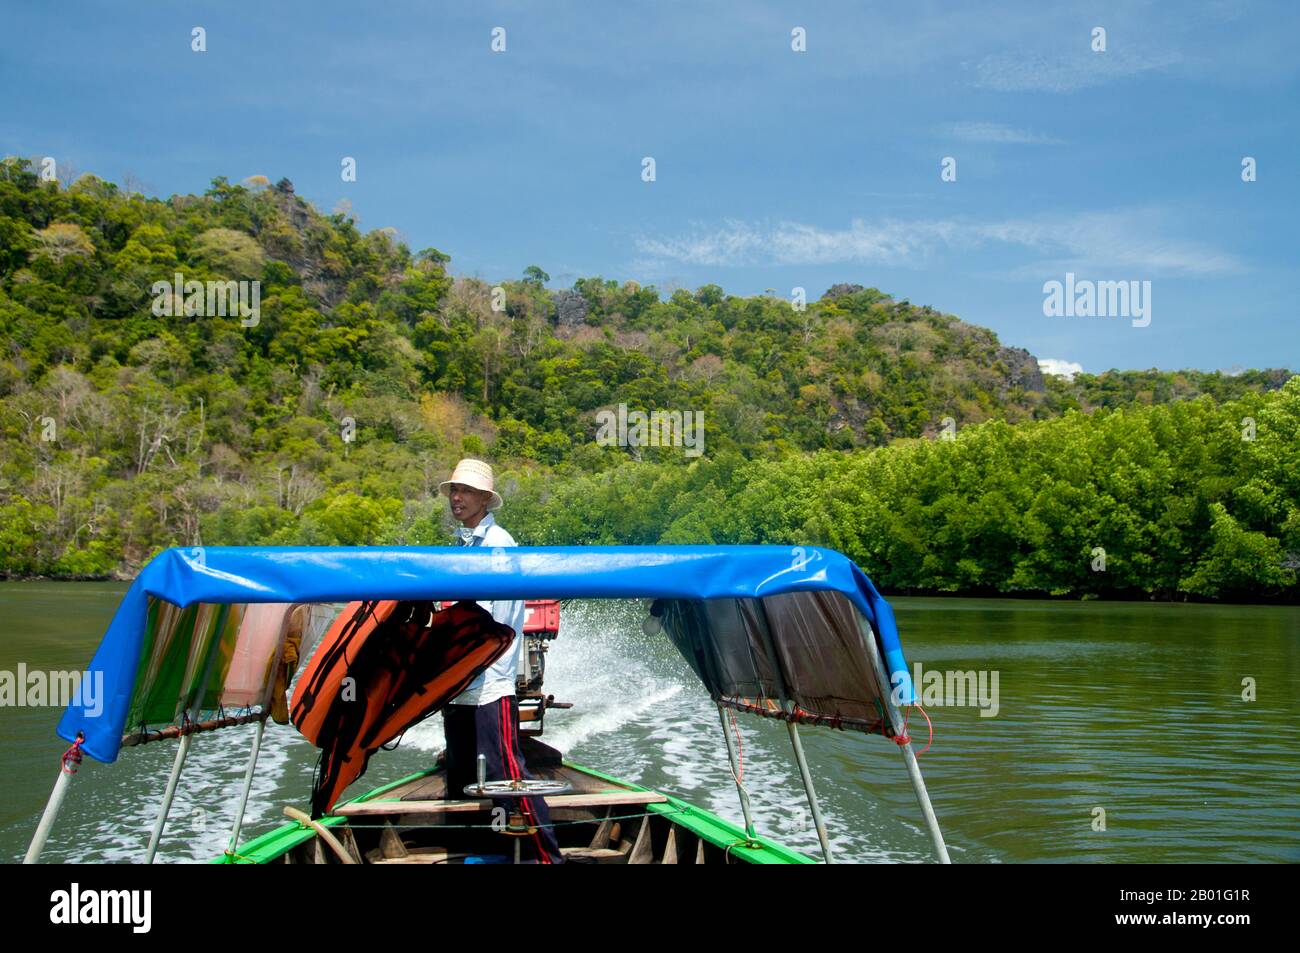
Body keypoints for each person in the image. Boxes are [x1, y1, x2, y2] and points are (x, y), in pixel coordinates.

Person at [438, 458, 564, 864]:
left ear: (484, 500)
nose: (457, 498)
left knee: (507, 773)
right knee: (461, 775)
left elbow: (502, 619)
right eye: (454, 491)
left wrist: (474, 660)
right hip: (457, 682)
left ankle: (549, 857)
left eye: (466, 492)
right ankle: (482, 850)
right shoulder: (461, 546)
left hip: (488, 680)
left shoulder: (499, 545)